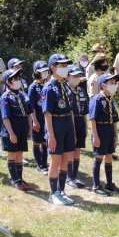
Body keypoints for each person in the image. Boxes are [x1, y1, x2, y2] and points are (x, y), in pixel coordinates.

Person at [42, 53, 76, 205]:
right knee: (56, 160)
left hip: (67, 123)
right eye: (62, 65)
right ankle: (53, 193)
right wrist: (51, 136)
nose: (65, 67)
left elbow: (71, 109)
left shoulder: (65, 85)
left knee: (65, 159)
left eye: (66, 65)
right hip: (56, 125)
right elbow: (47, 113)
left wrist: (72, 130)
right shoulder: (49, 87)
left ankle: (61, 191)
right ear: (53, 68)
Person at [0, 68, 33, 191]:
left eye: (19, 78)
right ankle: (14, 178)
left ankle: (19, 177)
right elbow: (5, 117)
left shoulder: (23, 95)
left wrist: (30, 129)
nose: (19, 80)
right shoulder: (5, 97)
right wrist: (11, 134)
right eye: (15, 79)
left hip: (23, 127)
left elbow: (29, 114)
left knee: (20, 153)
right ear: (8, 82)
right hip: (12, 128)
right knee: (13, 153)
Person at [89, 73, 119, 195]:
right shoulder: (97, 99)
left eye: (115, 82)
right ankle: (96, 186)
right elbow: (92, 119)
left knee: (109, 156)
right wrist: (95, 136)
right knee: (98, 157)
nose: (114, 85)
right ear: (103, 85)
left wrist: (116, 137)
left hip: (109, 130)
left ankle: (109, 184)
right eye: (111, 83)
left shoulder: (111, 100)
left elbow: (115, 120)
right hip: (100, 130)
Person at [66, 65, 88, 189]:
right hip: (70, 122)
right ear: (67, 77)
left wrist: (85, 126)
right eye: (74, 76)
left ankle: (75, 175)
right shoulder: (66, 91)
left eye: (78, 76)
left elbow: (84, 111)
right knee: (71, 151)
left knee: (78, 150)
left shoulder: (81, 91)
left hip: (80, 122)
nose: (77, 78)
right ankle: (69, 177)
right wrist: (73, 129)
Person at [28, 61, 50, 174]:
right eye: (43, 71)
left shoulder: (47, 85)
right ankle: (39, 165)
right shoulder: (33, 87)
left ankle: (44, 163)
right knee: (36, 141)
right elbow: (31, 106)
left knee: (45, 141)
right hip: (37, 117)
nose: (45, 73)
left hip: (46, 117)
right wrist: (34, 121)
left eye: (46, 71)